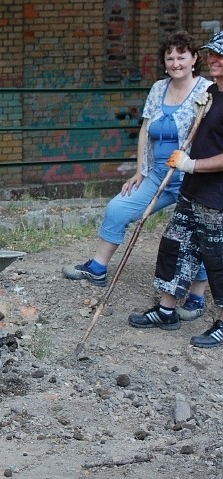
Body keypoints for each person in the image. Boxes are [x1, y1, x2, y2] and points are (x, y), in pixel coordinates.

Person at [64, 31, 212, 321]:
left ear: (194, 59)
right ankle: (97, 268)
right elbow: (146, 130)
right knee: (118, 207)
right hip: (158, 175)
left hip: (193, 180)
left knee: (196, 236)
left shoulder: (208, 91)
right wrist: (140, 171)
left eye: (181, 56)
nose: (175, 62)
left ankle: (196, 296)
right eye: (169, 57)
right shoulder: (159, 89)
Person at [127, 31, 223, 347]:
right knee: (174, 245)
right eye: (212, 54)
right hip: (192, 191)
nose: (214, 60)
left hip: (217, 197)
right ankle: (167, 310)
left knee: (218, 259)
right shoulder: (212, 93)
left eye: (220, 56)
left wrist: (190, 165)